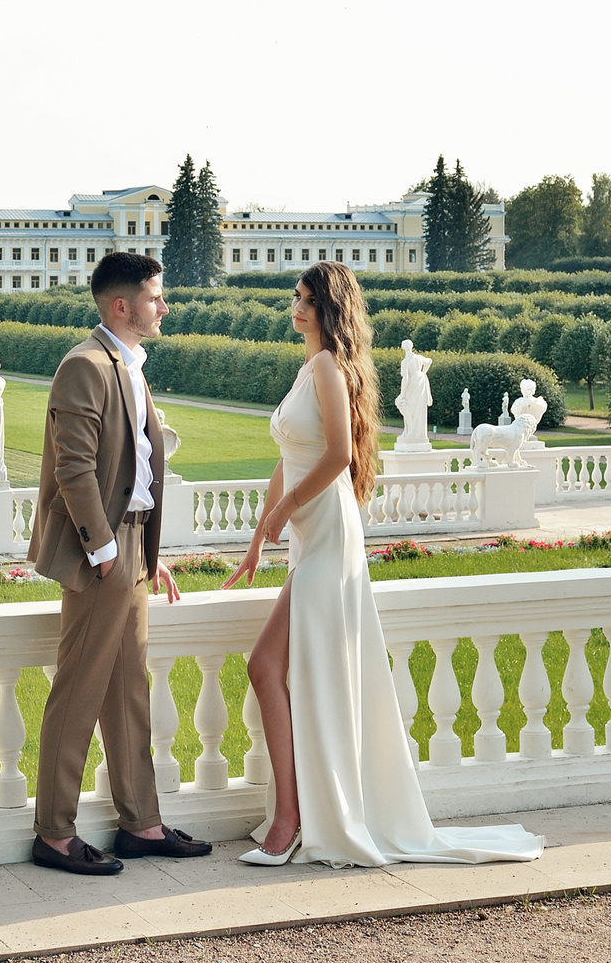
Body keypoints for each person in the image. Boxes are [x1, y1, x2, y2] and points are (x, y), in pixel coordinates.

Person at [222, 261, 543, 868]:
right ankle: (296, 815)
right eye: (295, 297)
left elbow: (339, 457)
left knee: (269, 665)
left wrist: (285, 510)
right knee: (272, 666)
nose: (295, 307)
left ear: (327, 309)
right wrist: (259, 535)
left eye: (305, 299)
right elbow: (290, 456)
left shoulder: (324, 368)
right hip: (310, 534)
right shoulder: (310, 367)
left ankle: (292, 821)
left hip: (326, 533)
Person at [25, 251, 212, 877]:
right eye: (156, 297)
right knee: (78, 692)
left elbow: (133, 469)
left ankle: (142, 823)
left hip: (130, 550)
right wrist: (107, 551)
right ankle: (53, 834)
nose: (165, 307)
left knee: (131, 692)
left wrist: (143, 553)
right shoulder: (83, 366)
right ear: (122, 306)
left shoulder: (130, 367)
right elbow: (74, 468)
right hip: (100, 554)